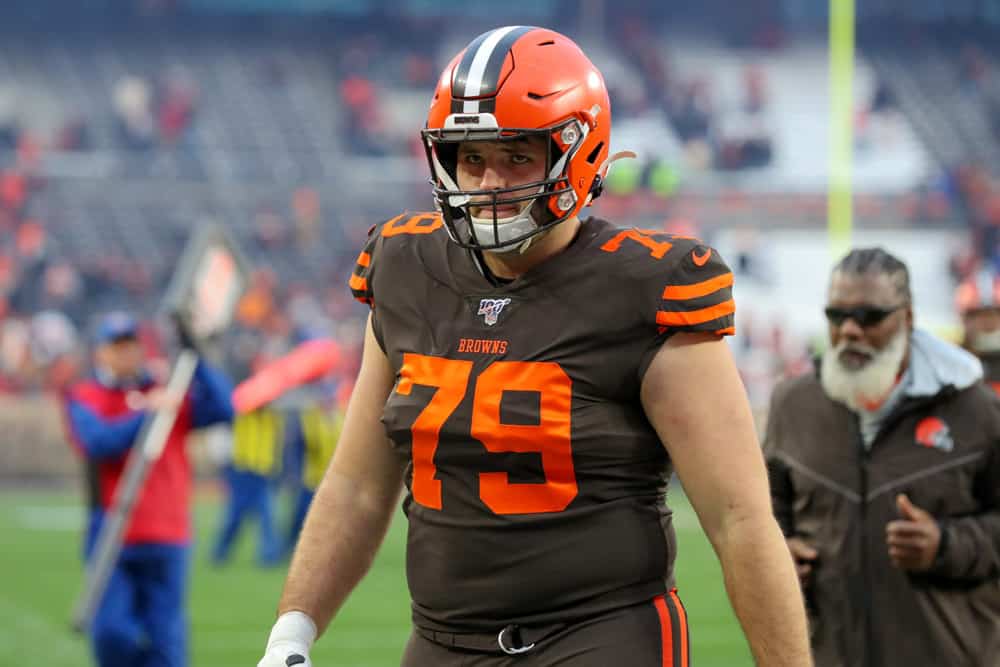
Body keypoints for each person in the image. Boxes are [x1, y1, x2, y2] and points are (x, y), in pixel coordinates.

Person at [258, 26, 810, 667]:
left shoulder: (648, 287)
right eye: (470, 158)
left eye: (517, 156)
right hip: (440, 643)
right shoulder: (405, 267)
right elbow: (356, 483)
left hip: (596, 638)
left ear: (578, 153)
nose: (490, 181)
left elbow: (741, 519)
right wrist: (290, 635)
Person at [763, 248, 1000, 667]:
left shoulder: (974, 409)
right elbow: (768, 512)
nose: (850, 330)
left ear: (907, 318)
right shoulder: (793, 404)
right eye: (836, 316)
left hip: (948, 652)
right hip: (827, 652)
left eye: (870, 317)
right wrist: (782, 550)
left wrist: (945, 545)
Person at [63, 311, 235, 667]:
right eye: (117, 346)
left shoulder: (167, 389)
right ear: (100, 353)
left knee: (166, 642)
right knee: (111, 635)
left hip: (168, 533)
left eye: (131, 345)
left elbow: (223, 408)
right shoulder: (85, 396)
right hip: (112, 531)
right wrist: (148, 414)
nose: (126, 354)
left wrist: (196, 356)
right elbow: (97, 442)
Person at [210, 407, 284, 567]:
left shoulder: (272, 418)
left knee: (267, 516)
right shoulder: (238, 416)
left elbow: (276, 445)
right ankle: (219, 553)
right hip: (242, 471)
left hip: (263, 472)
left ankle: (269, 556)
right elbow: (224, 442)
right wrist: (226, 469)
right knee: (234, 516)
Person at [956, 266, 1000, 390]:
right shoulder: (948, 364)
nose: (989, 323)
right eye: (979, 316)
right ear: (964, 319)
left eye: (996, 314)